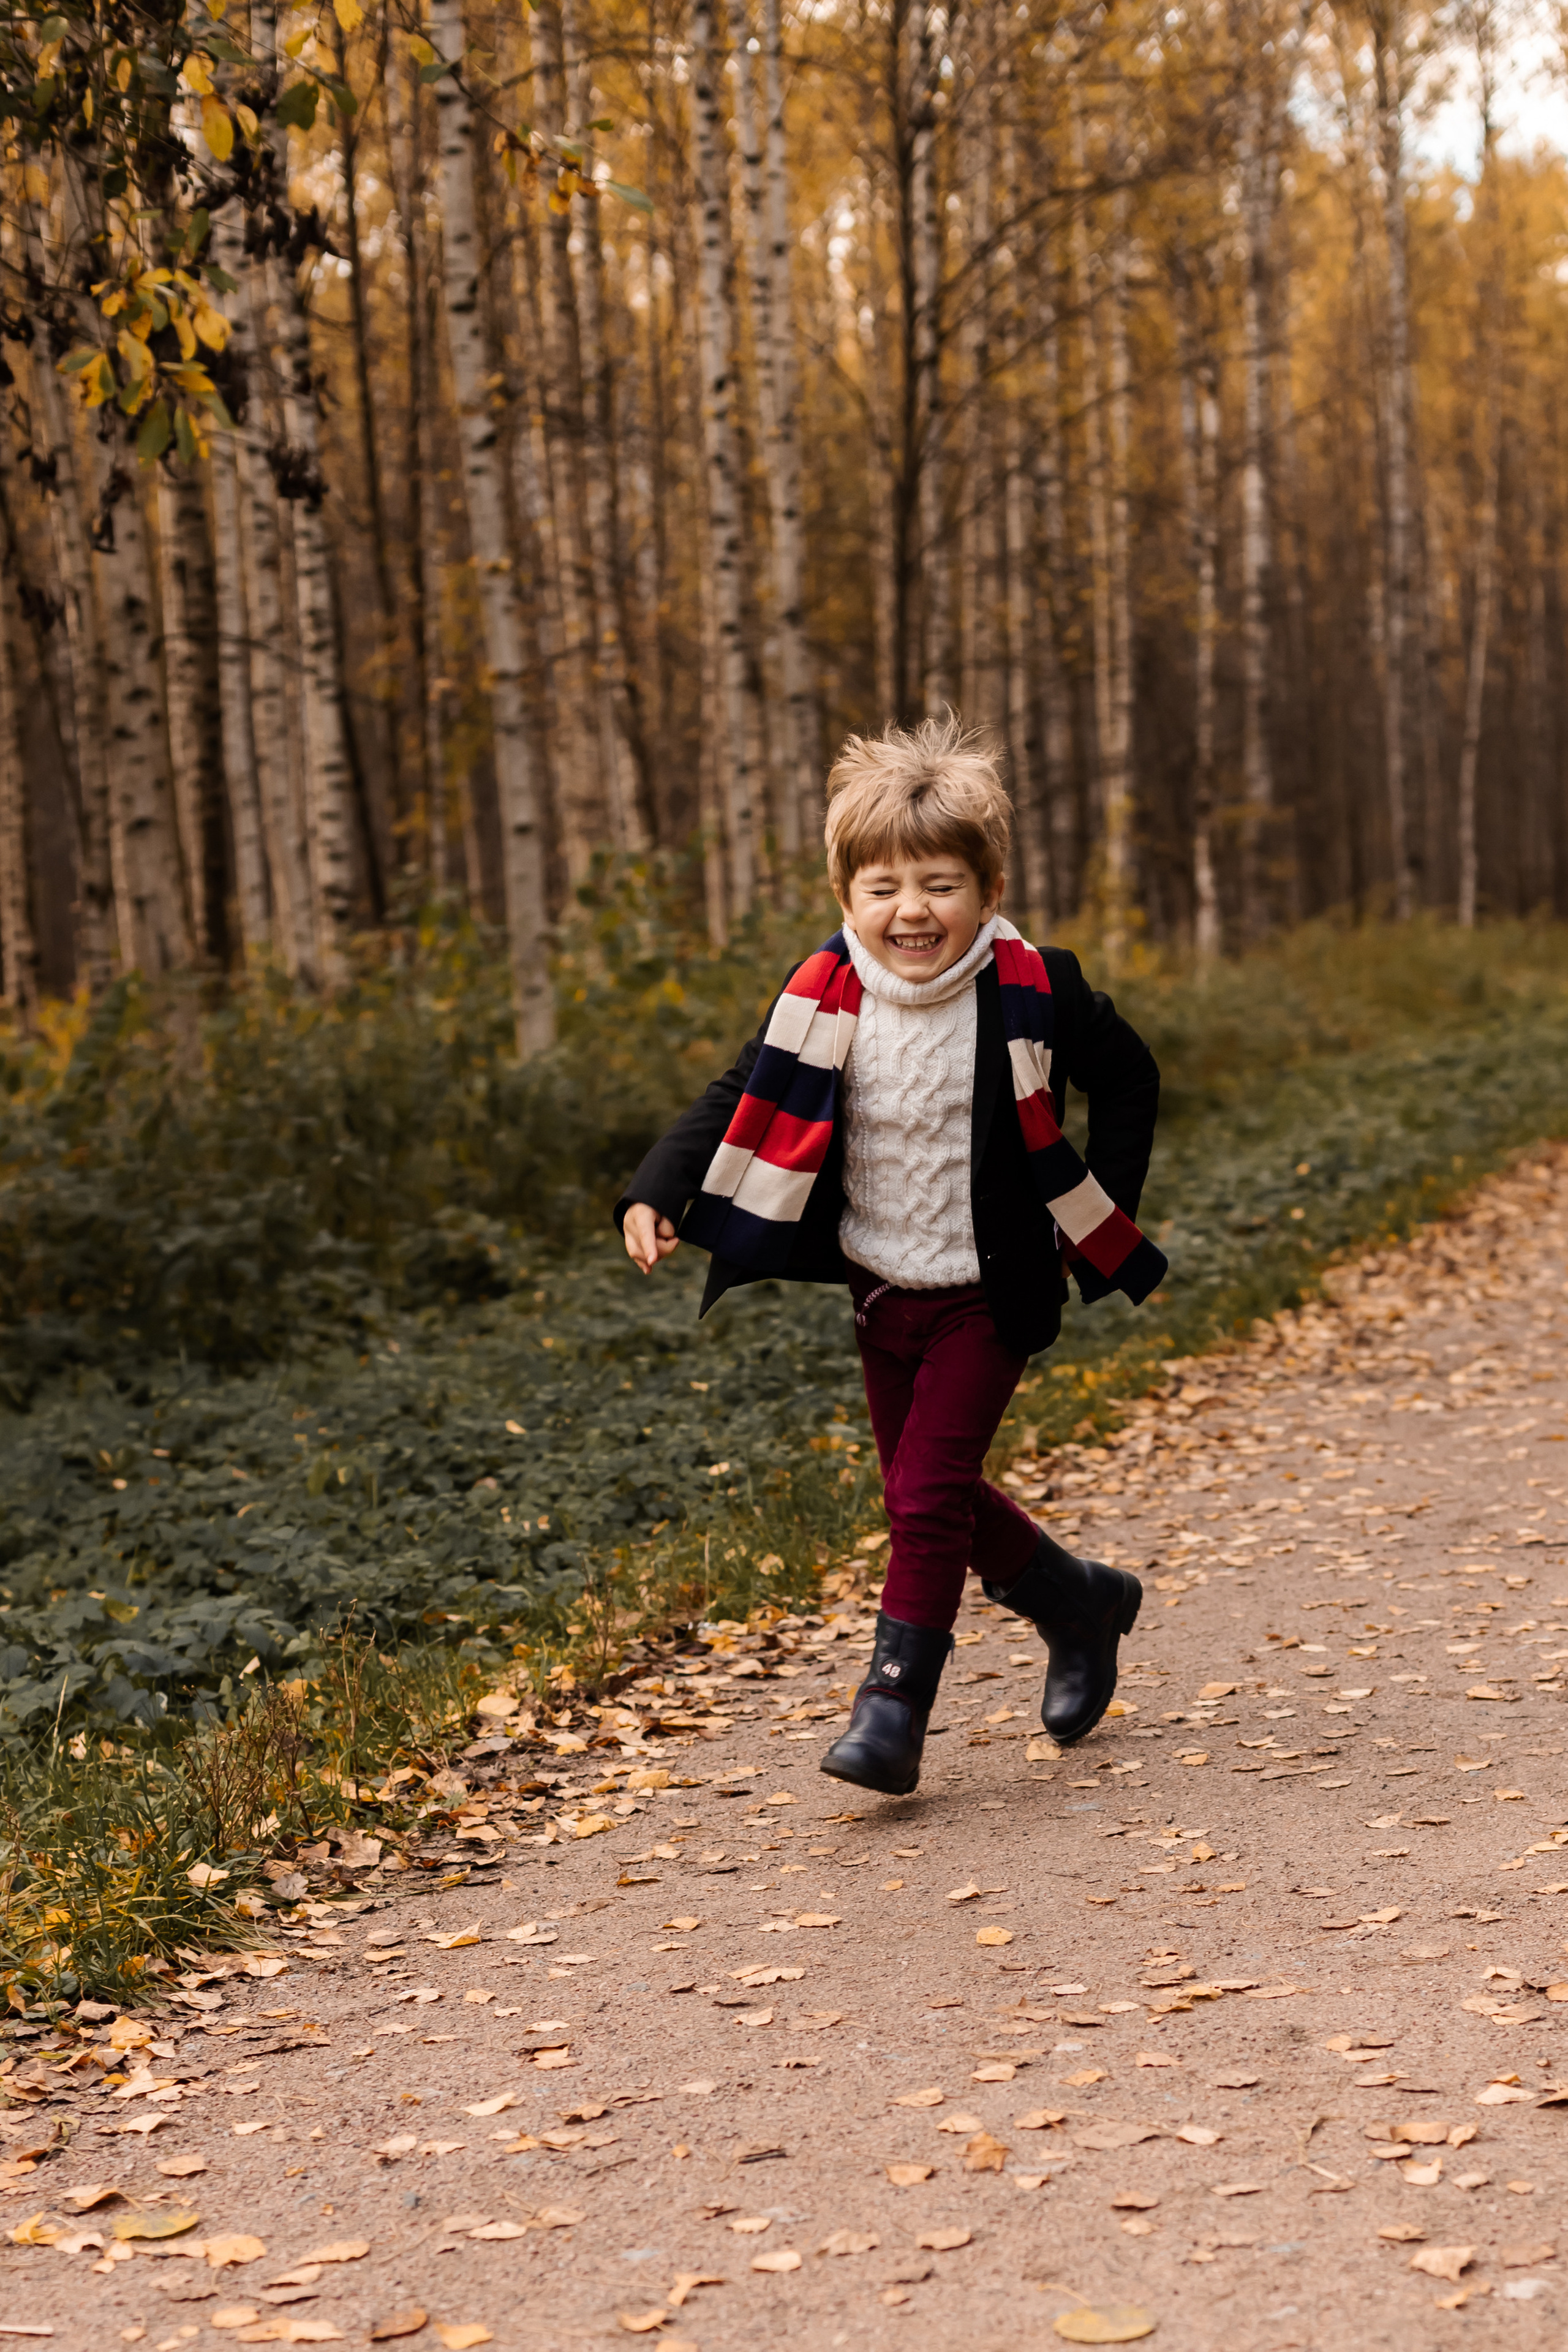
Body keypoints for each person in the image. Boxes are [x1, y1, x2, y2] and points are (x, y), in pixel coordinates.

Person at [615, 716, 1166, 1798]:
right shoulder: (824, 990)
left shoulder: (1036, 986)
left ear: (989, 888)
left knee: (924, 1498)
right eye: (884, 887)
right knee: (925, 1492)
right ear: (847, 894)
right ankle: (1079, 1603)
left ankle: (893, 1707)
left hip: (991, 1289)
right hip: (879, 1283)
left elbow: (1130, 1076)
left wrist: (1095, 1211)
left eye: (940, 884)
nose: (912, 909)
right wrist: (655, 1185)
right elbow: (740, 1090)